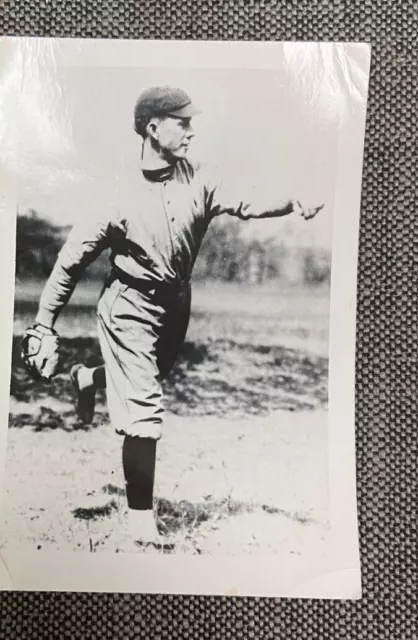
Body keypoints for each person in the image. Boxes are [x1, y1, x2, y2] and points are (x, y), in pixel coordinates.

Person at [21, 85, 323, 547]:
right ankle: (141, 523)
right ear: (152, 127)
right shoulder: (115, 194)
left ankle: (90, 378)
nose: (190, 130)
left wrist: (291, 199)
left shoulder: (199, 175)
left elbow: (247, 199)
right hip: (129, 308)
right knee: (145, 409)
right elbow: (70, 262)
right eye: (181, 121)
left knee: (153, 376)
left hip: (175, 303)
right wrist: (44, 324)